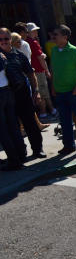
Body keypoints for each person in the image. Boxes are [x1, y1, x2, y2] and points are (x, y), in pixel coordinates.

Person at [1, 28, 45, 159]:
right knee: (12, 127)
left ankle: (38, 149)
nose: (3, 42)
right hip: (6, 96)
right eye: (0, 39)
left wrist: (36, 91)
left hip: (22, 94)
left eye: (6, 39)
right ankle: (20, 153)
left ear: (10, 39)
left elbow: (31, 75)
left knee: (30, 123)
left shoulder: (19, 55)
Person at [50, 24, 76, 155]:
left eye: (56, 34)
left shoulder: (74, 51)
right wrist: (53, 86)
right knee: (64, 120)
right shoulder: (54, 51)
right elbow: (53, 70)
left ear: (65, 37)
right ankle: (68, 146)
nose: (53, 37)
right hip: (60, 92)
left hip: (75, 92)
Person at [0, 33, 26, 170]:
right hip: (7, 91)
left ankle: (14, 160)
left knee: (3, 129)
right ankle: (21, 155)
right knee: (13, 126)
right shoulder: (2, 55)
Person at [25, 23, 56, 119]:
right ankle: (48, 111)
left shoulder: (27, 41)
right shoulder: (32, 42)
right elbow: (40, 58)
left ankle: (48, 110)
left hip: (32, 71)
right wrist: (47, 70)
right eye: (34, 30)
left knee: (40, 91)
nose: (36, 31)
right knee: (43, 91)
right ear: (30, 32)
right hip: (38, 70)